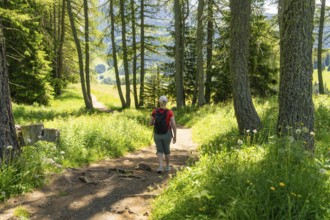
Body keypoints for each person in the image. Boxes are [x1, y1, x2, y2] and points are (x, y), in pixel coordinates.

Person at [149, 95, 177, 174]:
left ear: (159, 102)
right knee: (167, 150)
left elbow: (150, 123)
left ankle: (160, 166)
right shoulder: (170, 112)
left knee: (159, 150)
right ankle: (167, 166)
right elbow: (174, 125)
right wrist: (175, 136)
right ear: (166, 102)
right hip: (167, 134)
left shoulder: (155, 112)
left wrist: (155, 123)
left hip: (157, 134)